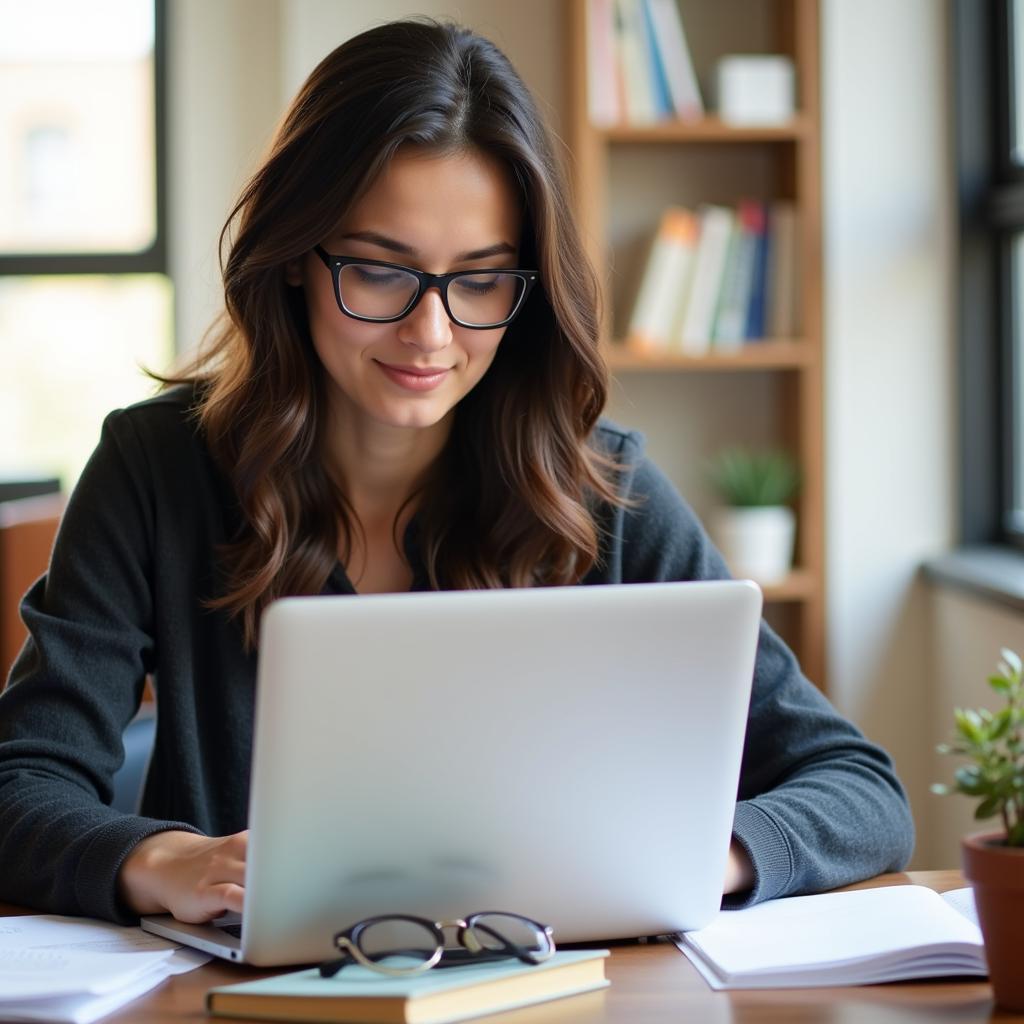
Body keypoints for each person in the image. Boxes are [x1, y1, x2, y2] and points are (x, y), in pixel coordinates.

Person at [0, 19, 913, 928]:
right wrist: (161, 859)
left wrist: (702, 856)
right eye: (380, 272)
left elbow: (861, 790)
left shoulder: (602, 490)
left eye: (479, 281)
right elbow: (19, 782)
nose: (430, 334)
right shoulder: (155, 470)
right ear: (292, 263)